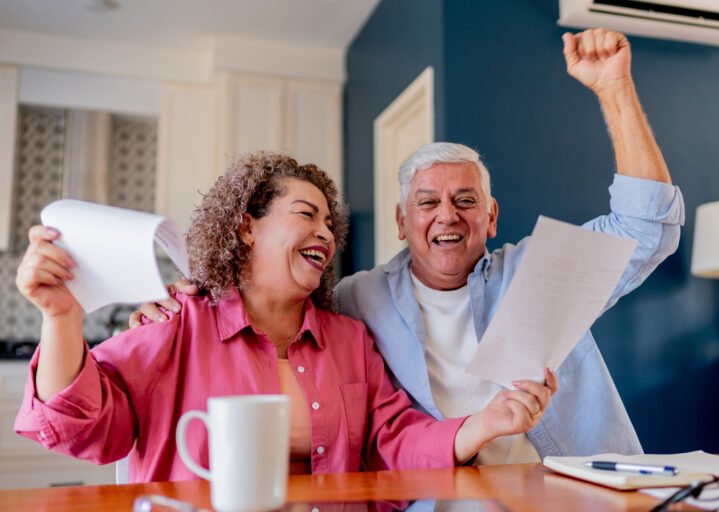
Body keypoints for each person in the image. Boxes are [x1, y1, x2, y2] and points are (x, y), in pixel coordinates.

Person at [133, 28, 685, 462]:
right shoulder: (355, 302)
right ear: (401, 220)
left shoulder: (541, 271)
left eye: (466, 200)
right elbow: (266, 301)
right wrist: (194, 297)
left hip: (568, 494)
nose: (447, 214)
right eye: (427, 202)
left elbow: (648, 229)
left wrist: (615, 90)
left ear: (491, 217)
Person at [13, 152, 557, 482]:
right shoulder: (179, 321)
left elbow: (392, 441)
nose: (324, 232)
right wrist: (61, 316)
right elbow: (83, 429)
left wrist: (485, 425)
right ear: (247, 227)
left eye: (329, 223)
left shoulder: (349, 339)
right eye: (305, 215)